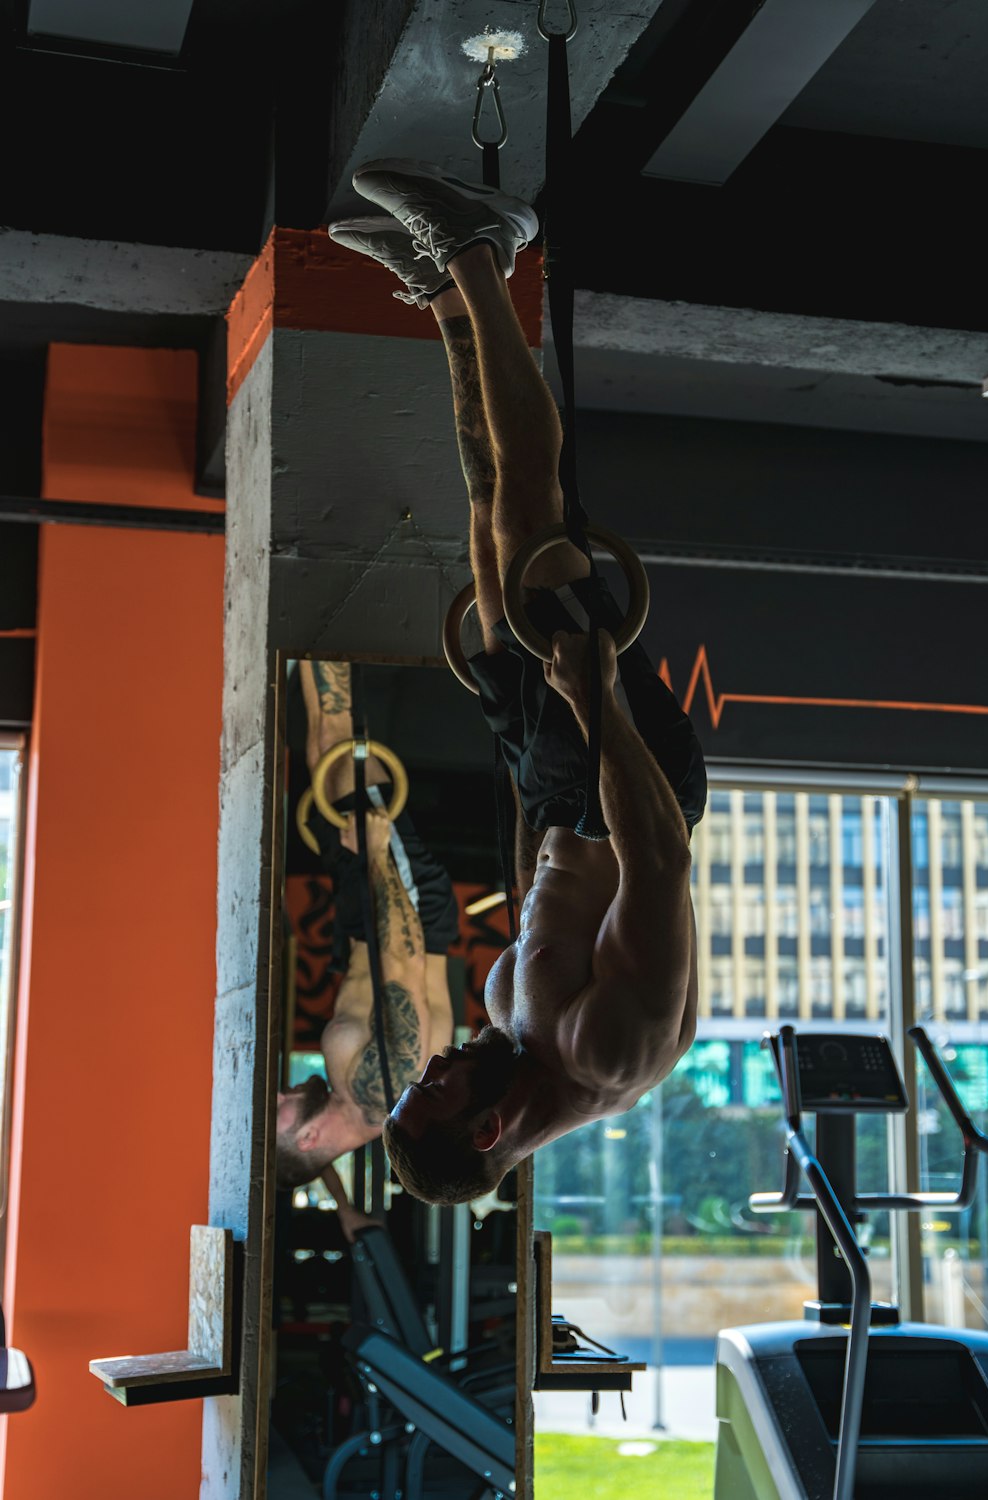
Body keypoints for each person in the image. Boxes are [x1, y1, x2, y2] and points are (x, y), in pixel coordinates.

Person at [328, 160, 707, 1205]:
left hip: (554, 790)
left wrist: (516, 742)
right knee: (534, 520)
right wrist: (594, 705)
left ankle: (448, 296)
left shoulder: (517, 1040)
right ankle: (478, 249)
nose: (438, 1064)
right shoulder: (609, 1049)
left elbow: (539, 878)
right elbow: (659, 859)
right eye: (438, 1090)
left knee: (490, 520)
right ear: (491, 1127)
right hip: (628, 783)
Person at [276, 659, 458, 1196]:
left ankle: (311, 649)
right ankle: (319, 627)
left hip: (371, 922)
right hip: (406, 911)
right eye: (281, 1113)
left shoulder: (355, 1097)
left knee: (324, 764)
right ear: (307, 1139)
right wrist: (378, 859)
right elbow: (403, 962)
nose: (282, 1096)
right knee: (339, 753)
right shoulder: (382, 1096)